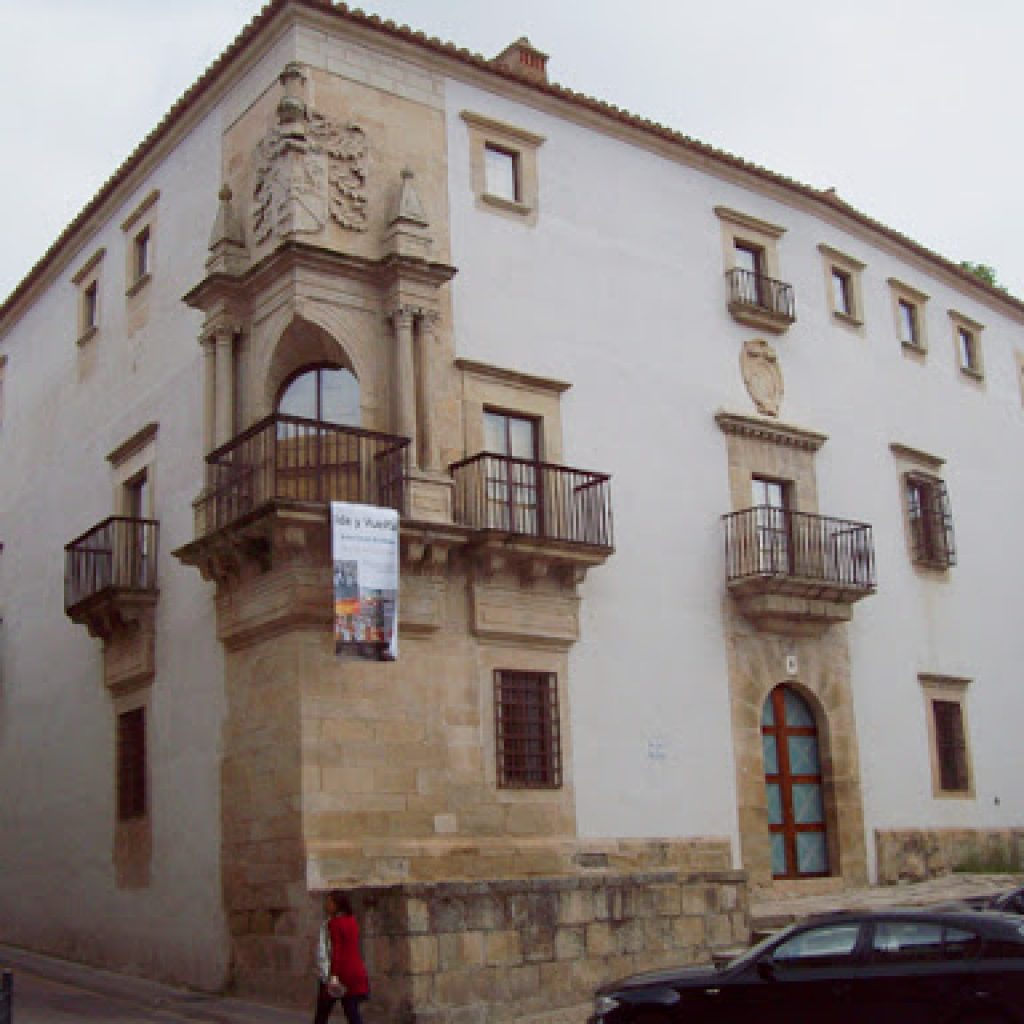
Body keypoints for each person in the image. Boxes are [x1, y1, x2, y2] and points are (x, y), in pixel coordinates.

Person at [314, 890, 370, 1024]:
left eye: (329, 902)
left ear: (337, 905)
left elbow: (337, 950)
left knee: (322, 1014)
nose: (326, 905)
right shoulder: (352, 921)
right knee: (352, 1013)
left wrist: (333, 975)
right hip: (355, 971)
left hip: (340, 973)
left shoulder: (334, 924)